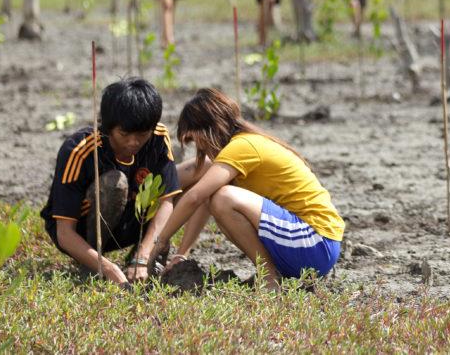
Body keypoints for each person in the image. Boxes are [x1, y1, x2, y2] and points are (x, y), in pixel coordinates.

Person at [145, 88, 344, 288]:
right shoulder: (239, 147)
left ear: (210, 129)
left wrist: (159, 241)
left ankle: (269, 277)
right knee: (215, 193)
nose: (200, 150)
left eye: (196, 141)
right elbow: (189, 185)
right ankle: (272, 272)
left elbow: (195, 197)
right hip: (310, 247)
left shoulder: (242, 147)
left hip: (315, 244)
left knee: (223, 198)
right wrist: (181, 254)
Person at [40, 78, 182, 285]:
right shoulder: (80, 149)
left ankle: (148, 256)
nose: (134, 142)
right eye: (124, 134)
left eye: (142, 135)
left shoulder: (158, 137)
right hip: (81, 228)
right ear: (108, 127)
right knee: (116, 183)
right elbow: (63, 232)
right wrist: (108, 268)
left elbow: (166, 202)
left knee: (184, 188)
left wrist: (142, 255)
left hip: (130, 222)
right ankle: (91, 261)